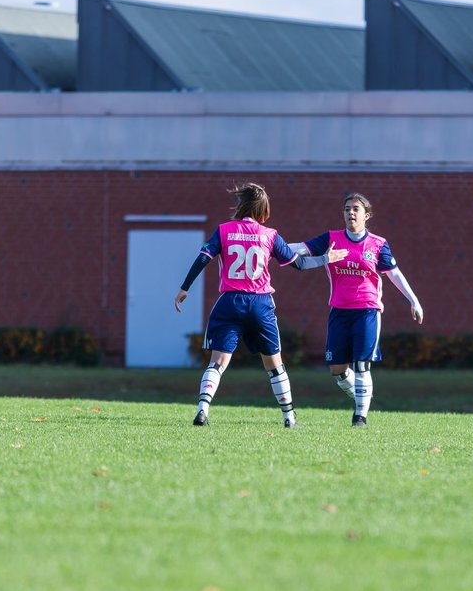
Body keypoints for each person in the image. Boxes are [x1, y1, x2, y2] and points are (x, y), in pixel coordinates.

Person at [175, 182, 346, 428]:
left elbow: (203, 258)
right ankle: (289, 417)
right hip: (260, 303)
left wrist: (185, 288)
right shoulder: (270, 235)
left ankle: (203, 410)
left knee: (218, 361)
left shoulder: (223, 230)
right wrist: (325, 258)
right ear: (263, 210)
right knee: (274, 363)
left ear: (240, 205)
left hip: (230, 302)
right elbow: (299, 264)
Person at [291, 192, 423, 427]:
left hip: (367, 310)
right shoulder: (330, 238)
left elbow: (394, 273)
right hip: (339, 311)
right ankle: (364, 396)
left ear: (367, 215)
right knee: (337, 370)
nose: (350, 213)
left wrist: (413, 300)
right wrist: (269, 245)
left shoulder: (378, 244)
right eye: (347, 209)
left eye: (356, 209)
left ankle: (360, 416)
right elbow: (300, 248)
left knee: (361, 364)